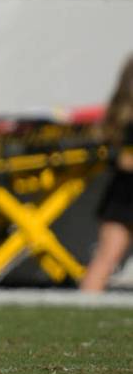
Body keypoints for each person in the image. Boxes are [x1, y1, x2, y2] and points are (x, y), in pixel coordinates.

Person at [81, 55, 133, 292]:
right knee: (106, 257)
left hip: (122, 194)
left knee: (105, 258)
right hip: (125, 195)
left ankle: (81, 313)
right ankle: (82, 312)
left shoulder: (119, 113)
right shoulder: (124, 117)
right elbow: (124, 160)